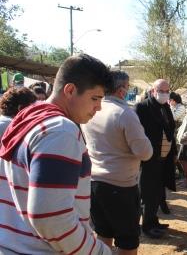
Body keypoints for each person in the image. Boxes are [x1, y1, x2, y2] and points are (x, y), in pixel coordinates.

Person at [0, 54, 112, 254]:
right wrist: (98, 251)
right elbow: (51, 218)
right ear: (70, 90)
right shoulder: (60, 131)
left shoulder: (28, 118)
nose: (99, 107)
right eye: (95, 98)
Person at [82, 71, 153, 255]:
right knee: (127, 242)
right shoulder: (124, 114)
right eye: (128, 87)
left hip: (94, 183)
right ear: (121, 90)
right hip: (120, 187)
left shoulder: (92, 110)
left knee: (103, 233)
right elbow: (145, 153)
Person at [135, 79, 177, 239]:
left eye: (167, 91)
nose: (165, 94)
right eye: (161, 91)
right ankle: (147, 225)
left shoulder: (165, 107)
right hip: (148, 158)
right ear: (153, 91)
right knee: (147, 193)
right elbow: (136, 133)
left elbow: (170, 131)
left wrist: (172, 153)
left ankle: (153, 220)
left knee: (158, 191)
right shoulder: (142, 107)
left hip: (163, 158)